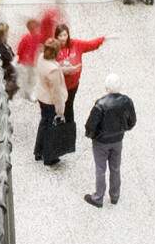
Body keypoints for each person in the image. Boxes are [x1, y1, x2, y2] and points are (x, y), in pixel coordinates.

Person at [83, 73, 136, 208]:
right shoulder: (127, 101)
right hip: (118, 140)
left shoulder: (100, 104)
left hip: (101, 142)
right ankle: (115, 195)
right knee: (115, 168)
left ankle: (98, 197)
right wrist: (123, 129)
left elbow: (91, 125)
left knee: (100, 169)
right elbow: (132, 121)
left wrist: (92, 136)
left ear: (106, 87)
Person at [50, 21, 104, 117]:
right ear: (56, 36)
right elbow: (48, 66)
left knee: (69, 106)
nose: (63, 38)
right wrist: (63, 70)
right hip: (58, 85)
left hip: (72, 85)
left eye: (65, 35)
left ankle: (69, 127)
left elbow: (90, 44)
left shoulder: (76, 44)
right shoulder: (53, 48)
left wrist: (103, 39)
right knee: (56, 106)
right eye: (60, 36)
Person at [32, 38, 71, 166]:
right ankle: (49, 156)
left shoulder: (41, 58)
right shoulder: (52, 70)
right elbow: (56, 93)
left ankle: (38, 151)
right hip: (50, 101)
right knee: (50, 128)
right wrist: (60, 111)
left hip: (42, 96)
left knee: (44, 123)